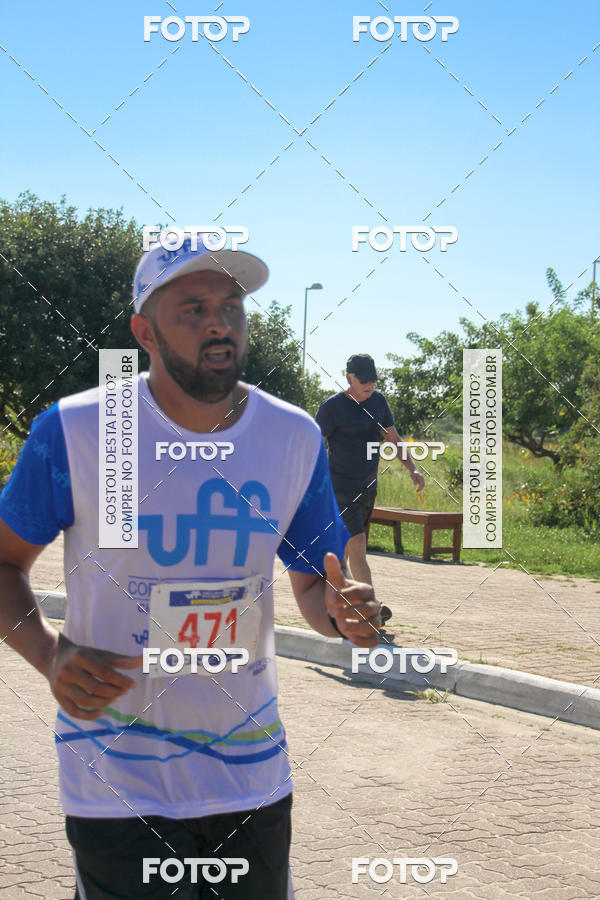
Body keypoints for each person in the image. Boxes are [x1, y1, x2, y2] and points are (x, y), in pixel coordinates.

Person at [0, 235, 382, 900]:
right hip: (117, 776)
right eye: (194, 308)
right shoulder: (82, 433)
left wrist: (346, 616)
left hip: (252, 770)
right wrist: (48, 655)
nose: (219, 323)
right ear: (143, 331)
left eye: (232, 306)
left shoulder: (290, 437)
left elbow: (316, 587)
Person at [315, 354, 425, 619]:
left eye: (372, 380)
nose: (369, 385)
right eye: (363, 381)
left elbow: (393, 437)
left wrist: (412, 468)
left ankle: (336, 603)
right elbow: (314, 445)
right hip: (340, 487)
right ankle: (369, 609)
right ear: (348, 378)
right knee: (358, 546)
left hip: (367, 487)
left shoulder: (378, 402)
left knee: (343, 550)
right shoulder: (332, 407)